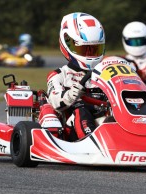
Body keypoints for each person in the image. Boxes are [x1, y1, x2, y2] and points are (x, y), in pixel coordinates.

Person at [45, 12, 106, 141]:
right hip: (70, 129)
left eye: (94, 50)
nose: (90, 55)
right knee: (81, 109)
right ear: (68, 45)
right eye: (84, 50)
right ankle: (89, 142)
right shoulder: (59, 75)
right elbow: (55, 101)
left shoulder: (105, 73)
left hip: (102, 121)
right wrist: (70, 95)